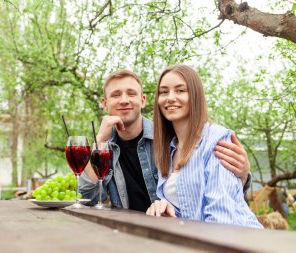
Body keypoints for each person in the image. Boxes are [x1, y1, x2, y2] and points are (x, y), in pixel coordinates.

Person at [79, 69, 251, 212]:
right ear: (105, 103)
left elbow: (214, 188)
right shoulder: (105, 147)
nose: (124, 100)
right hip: (128, 233)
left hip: (171, 231)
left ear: (143, 100)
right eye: (116, 95)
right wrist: (99, 141)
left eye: (131, 93)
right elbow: (88, 198)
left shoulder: (171, 137)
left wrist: (243, 176)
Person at [146, 64, 262, 228]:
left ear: (195, 96)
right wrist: (164, 209)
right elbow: (189, 210)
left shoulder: (216, 140)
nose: (170, 97)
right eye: (163, 92)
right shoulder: (168, 151)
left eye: (180, 90)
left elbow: (221, 219)